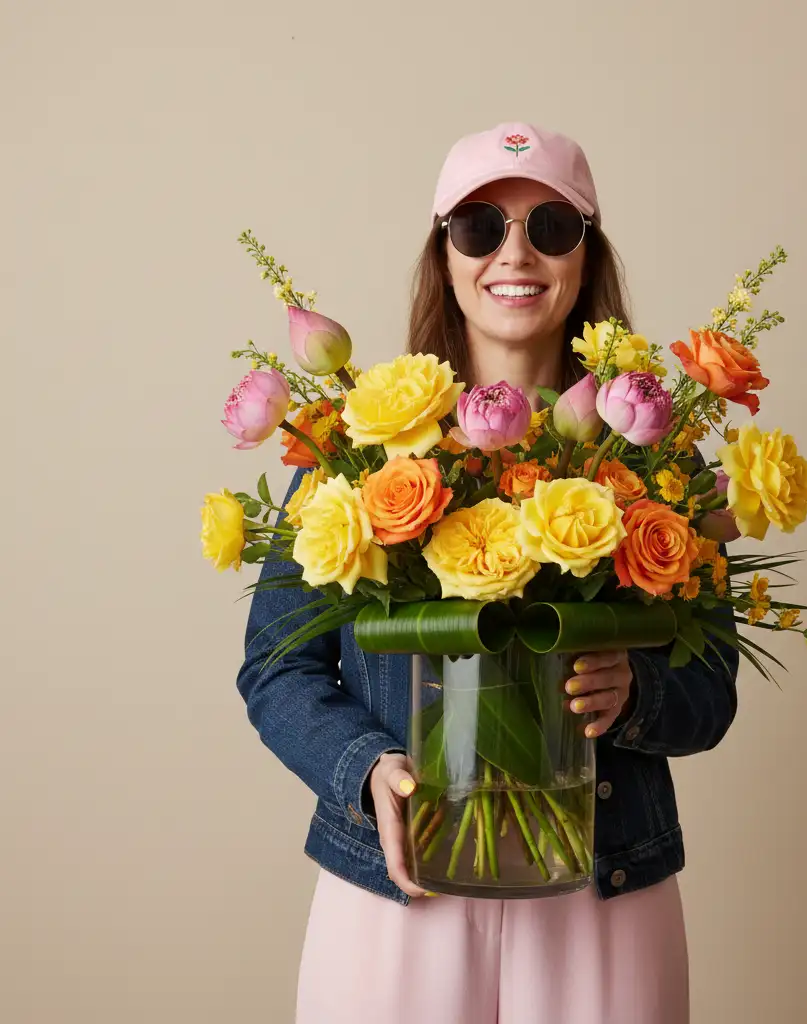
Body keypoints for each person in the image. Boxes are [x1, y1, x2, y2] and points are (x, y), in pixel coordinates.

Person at [236, 121, 741, 1024]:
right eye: (478, 228)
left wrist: (634, 693)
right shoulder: (352, 446)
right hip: (400, 883)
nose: (516, 252)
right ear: (445, 256)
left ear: (587, 256)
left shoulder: (663, 462)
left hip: (601, 885)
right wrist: (370, 771)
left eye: (552, 227)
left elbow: (711, 687)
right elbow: (277, 668)